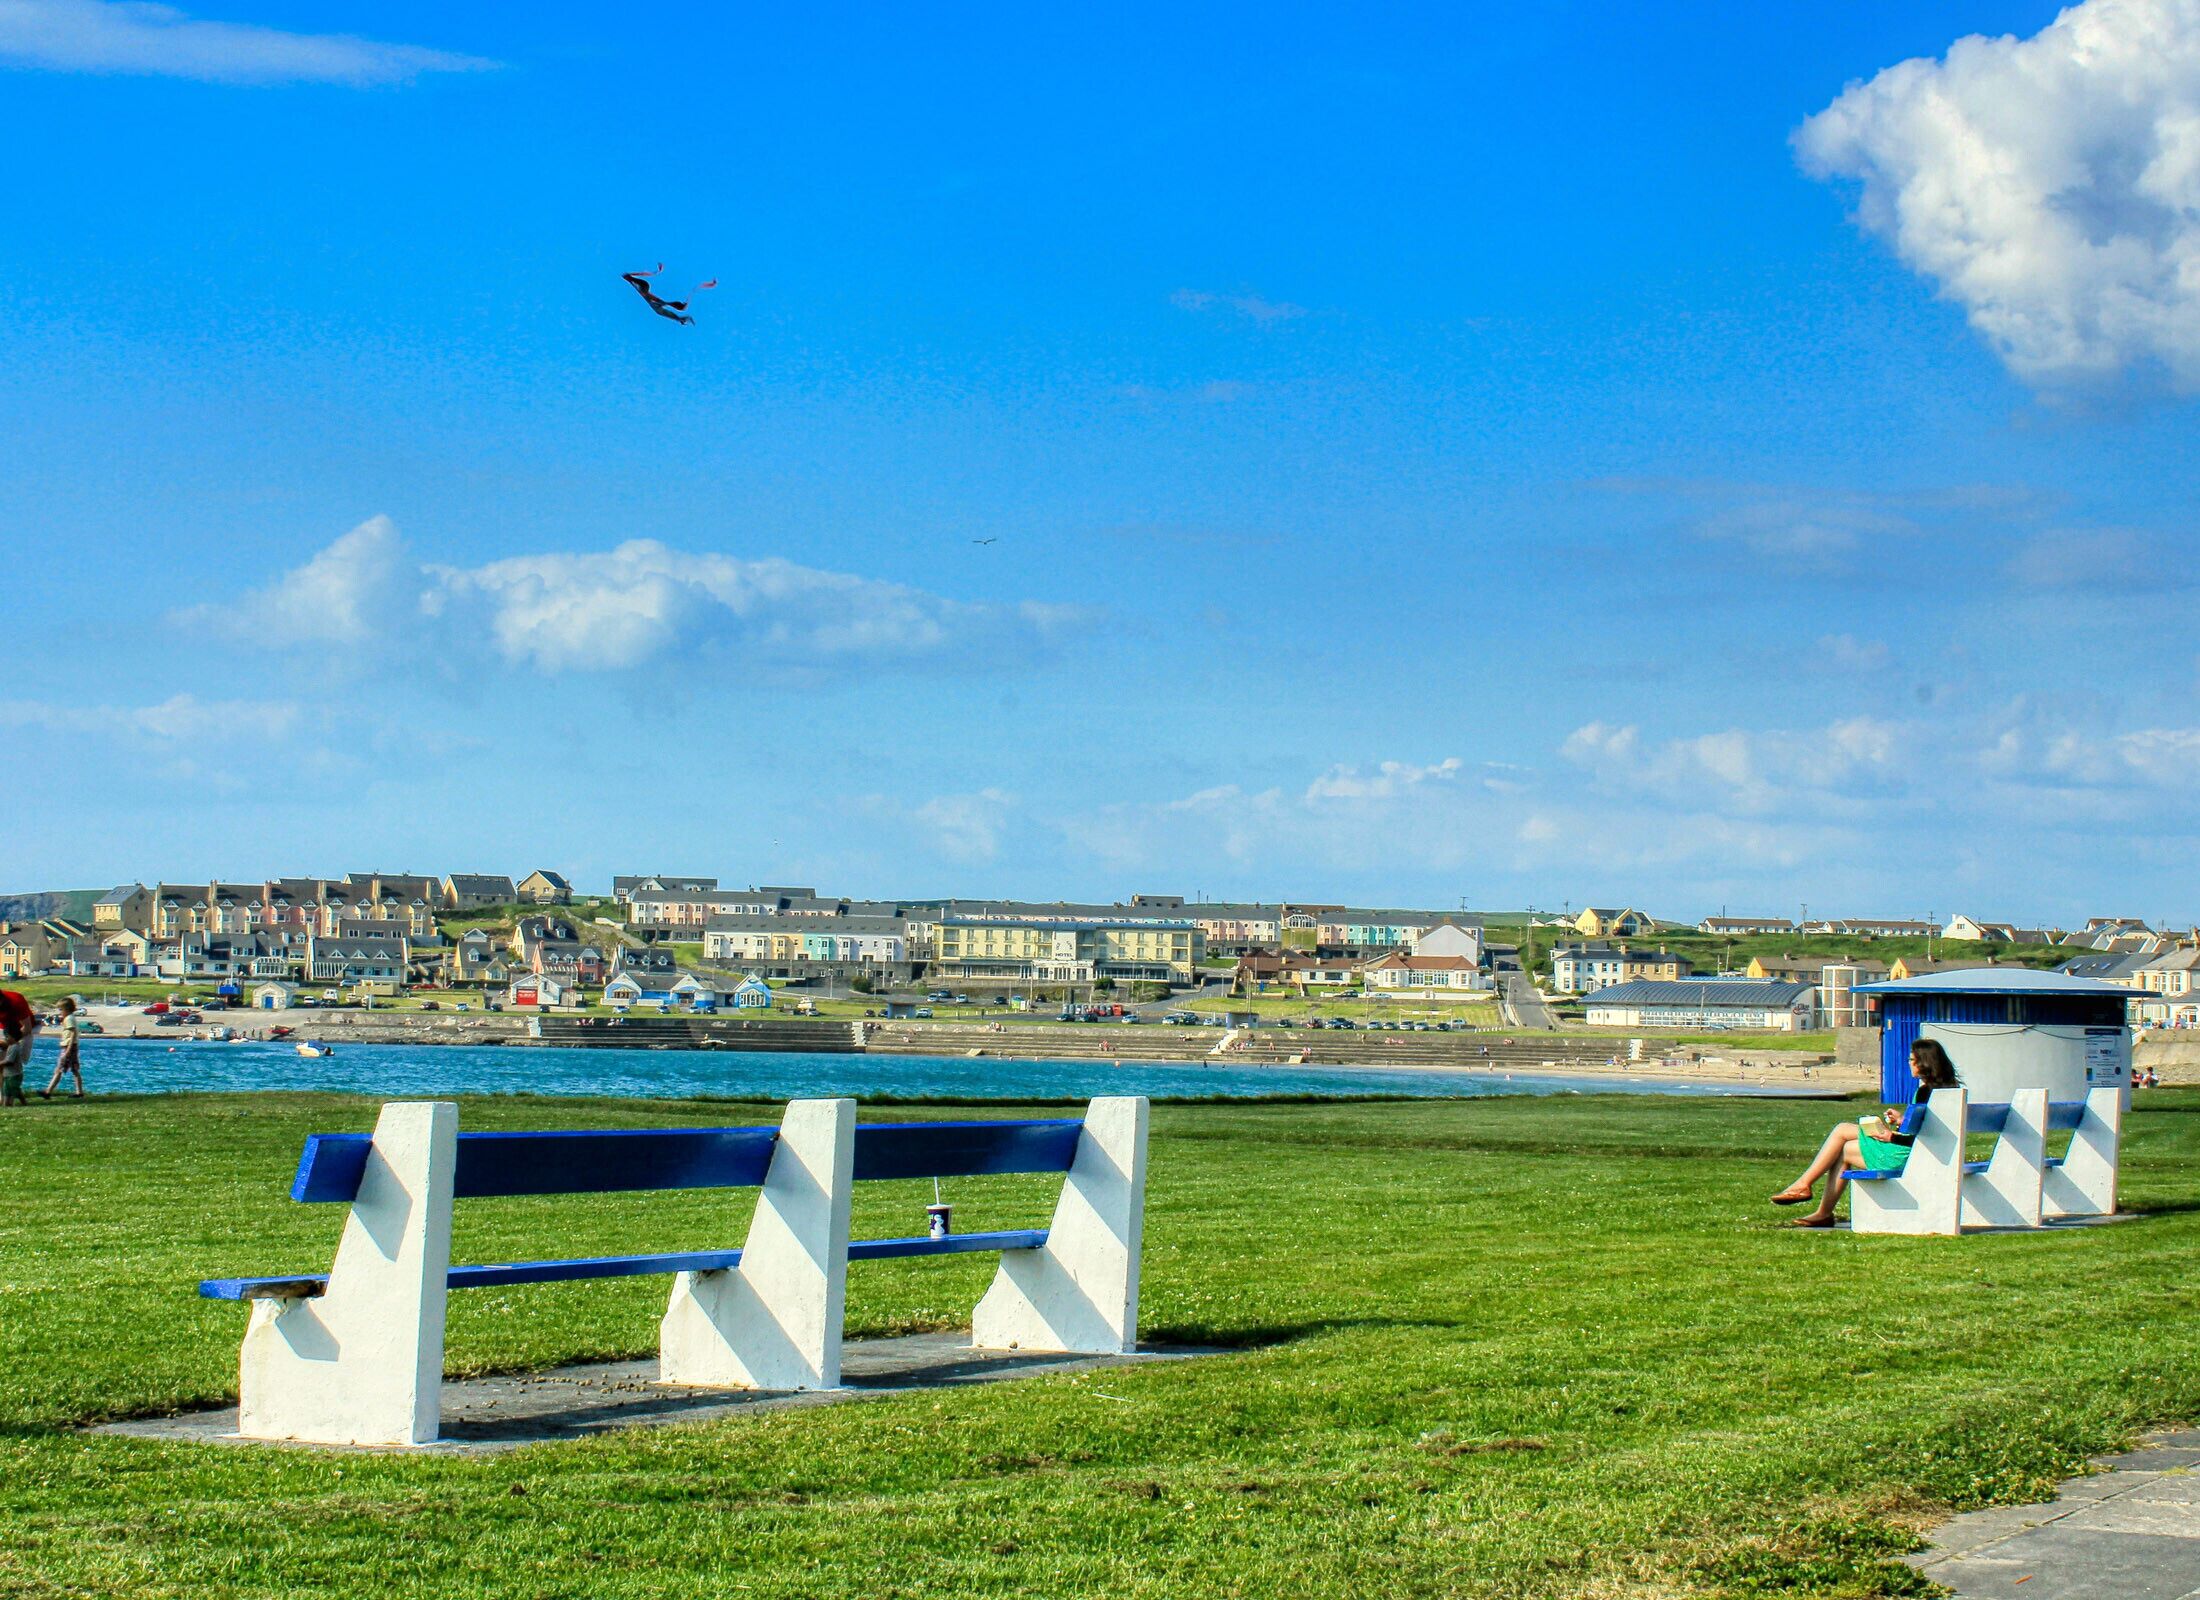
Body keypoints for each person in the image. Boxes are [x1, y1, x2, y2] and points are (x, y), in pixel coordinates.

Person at [1771, 1038, 1960, 1228]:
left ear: (1924, 1063)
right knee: (1845, 1145)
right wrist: (1903, 1120)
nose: (1909, 1063)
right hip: (1928, 1154)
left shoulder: (1925, 1092)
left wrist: (1890, 1136)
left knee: (1842, 1132)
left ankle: (1808, 1192)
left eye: (1912, 1060)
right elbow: (1931, 1133)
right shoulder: (1949, 1091)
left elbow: (1920, 1138)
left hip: (1908, 1157)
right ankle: (1815, 1202)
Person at [41, 997, 84, 1100]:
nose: (60, 1012)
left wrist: (68, 1049)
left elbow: (73, 1033)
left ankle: (48, 1091)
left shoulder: (69, 1019)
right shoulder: (70, 1018)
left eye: (61, 1010)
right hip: (72, 1046)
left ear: (67, 1009)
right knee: (74, 1070)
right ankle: (79, 1092)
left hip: (69, 1047)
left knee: (59, 1069)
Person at [0, 988, 35, 1107]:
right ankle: (3, 1097)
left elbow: (27, 1027)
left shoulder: (16, 1000)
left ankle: (9, 1098)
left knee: (16, 1061)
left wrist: (11, 1043)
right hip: (6, 1031)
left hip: (19, 1031)